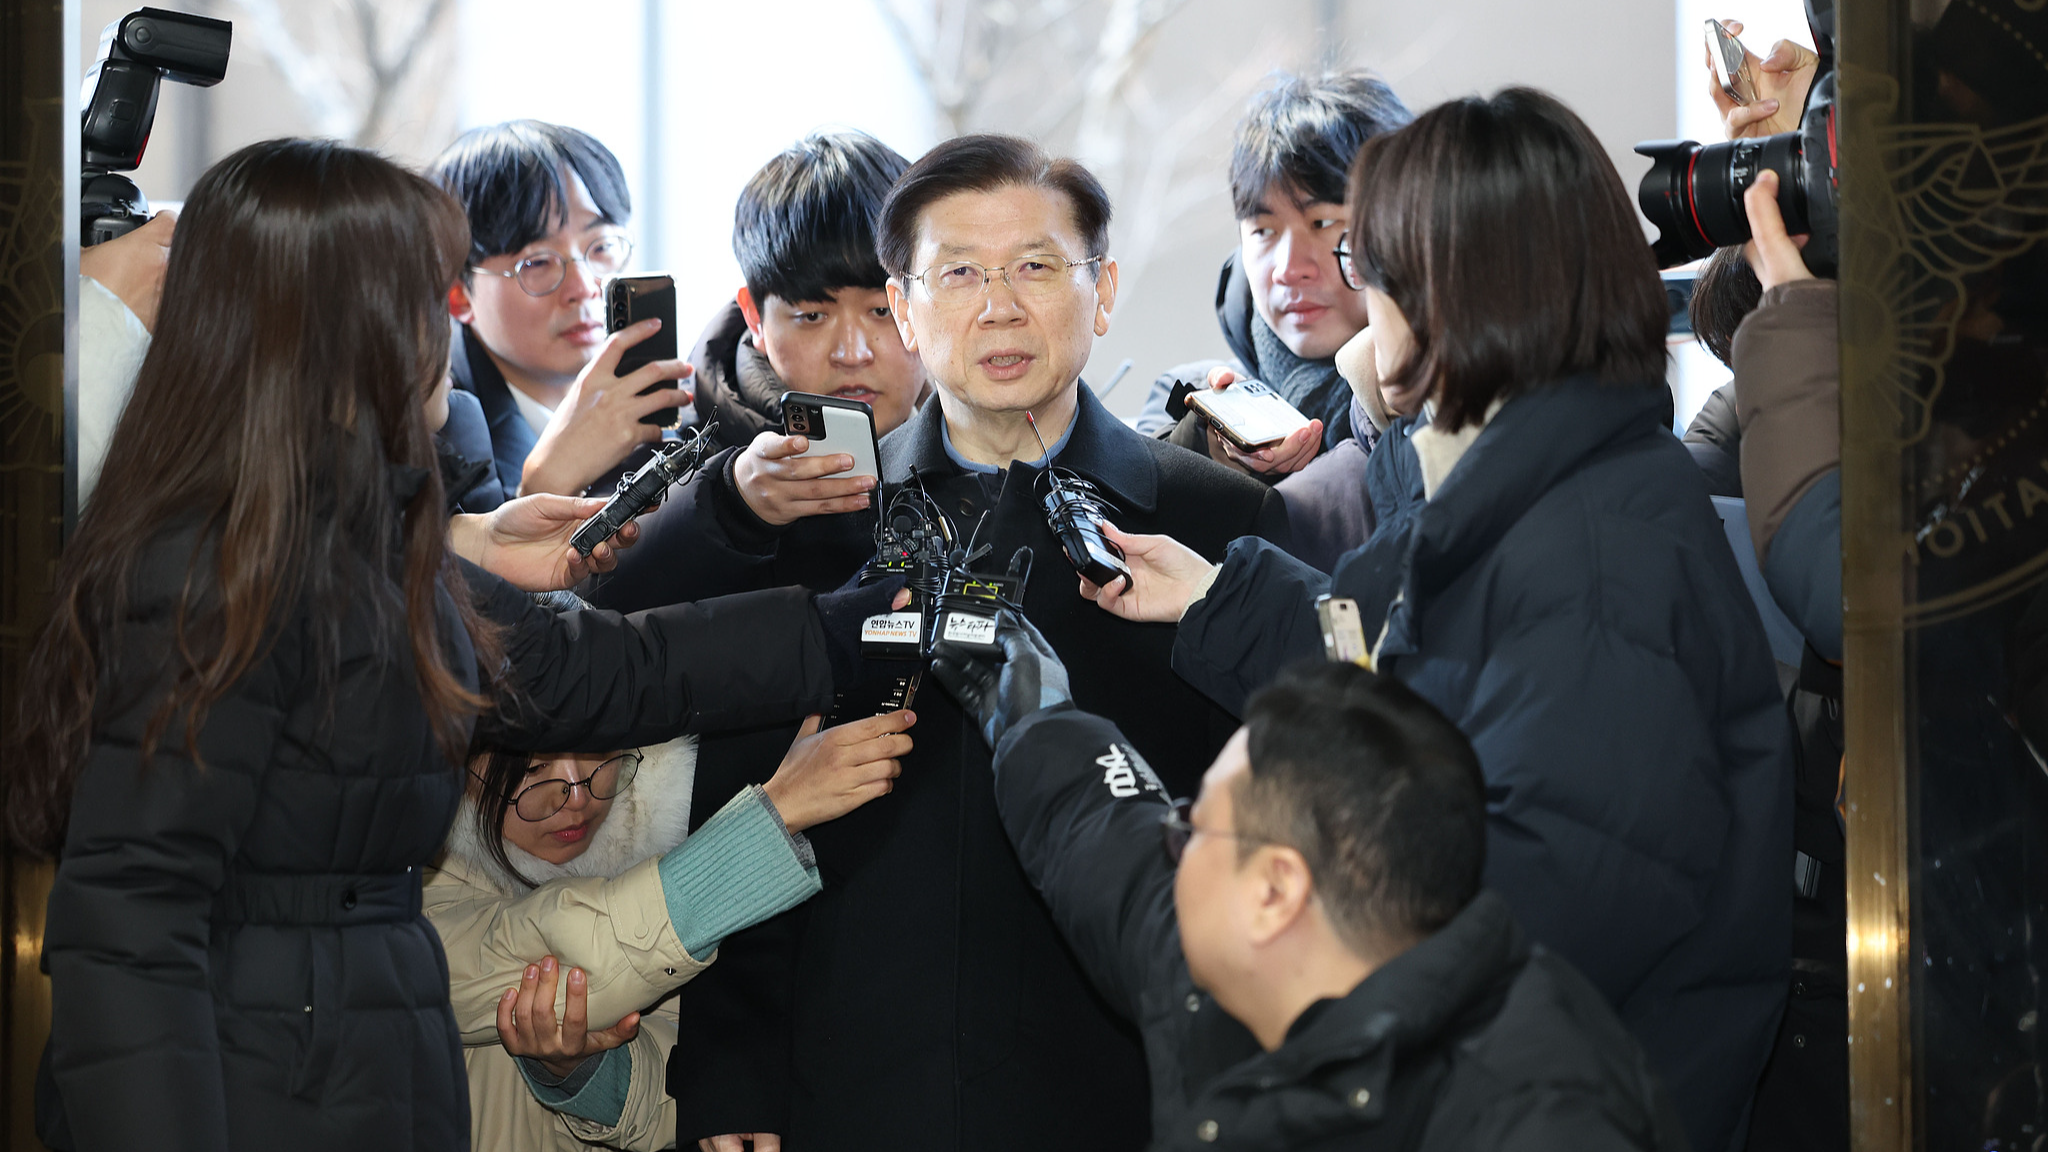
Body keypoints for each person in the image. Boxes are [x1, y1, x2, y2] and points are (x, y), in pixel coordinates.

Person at [9, 138, 868, 1152]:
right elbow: (133, 928)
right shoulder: (212, 566)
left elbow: (596, 673)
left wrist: (871, 619)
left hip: (351, 1072)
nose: (447, 322)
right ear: (340, 326)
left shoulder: (356, 531)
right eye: (428, 293)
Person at [1081, 89, 1793, 1152]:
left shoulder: (1595, 552)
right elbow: (1386, 643)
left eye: (1368, 261)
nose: (1351, 290)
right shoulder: (1531, 480)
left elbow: (1555, 896)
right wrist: (1222, 591)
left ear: (1454, 287)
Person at [591, 135, 1288, 1152]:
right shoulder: (823, 523)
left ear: (1101, 294)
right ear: (907, 308)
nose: (998, 307)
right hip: (860, 1074)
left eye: (1035, 268)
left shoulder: (1214, 521)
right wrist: (734, 1070)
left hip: (1128, 1082)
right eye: (957, 273)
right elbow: (746, 801)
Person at [929, 617, 1691, 1150]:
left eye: (1191, 827)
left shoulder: (1543, 1120)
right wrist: (1039, 726)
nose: (1173, 843)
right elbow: (1116, 861)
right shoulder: (1249, 974)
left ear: (1275, 892)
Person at [426, 707, 915, 1152]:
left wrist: (576, 1071)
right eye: (533, 771)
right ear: (460, 763)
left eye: (598, 751)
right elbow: (560, 949)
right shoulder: (409, 891)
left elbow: (671, 1095)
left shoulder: (660, 837)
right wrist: (774, 813)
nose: (575, 795)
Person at [1133, 72, 1410, 571]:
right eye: (1263, 231)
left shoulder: (1438, 405)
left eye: (1322, 223)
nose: (1288, 267)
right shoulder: (1190, 397)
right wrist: (1210, 455)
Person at [430, 121, 694, 502]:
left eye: (601, 247)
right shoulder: (428, 436)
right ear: (459, 296)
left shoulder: (679, 406)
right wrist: (542, 488)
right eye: (537, 262)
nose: (585, 286)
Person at [689, 131, 928, 454]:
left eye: (882, 311)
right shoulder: (671, 470)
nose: (852, 354)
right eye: (813, 316)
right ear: (755, 319)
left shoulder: (997, 444)